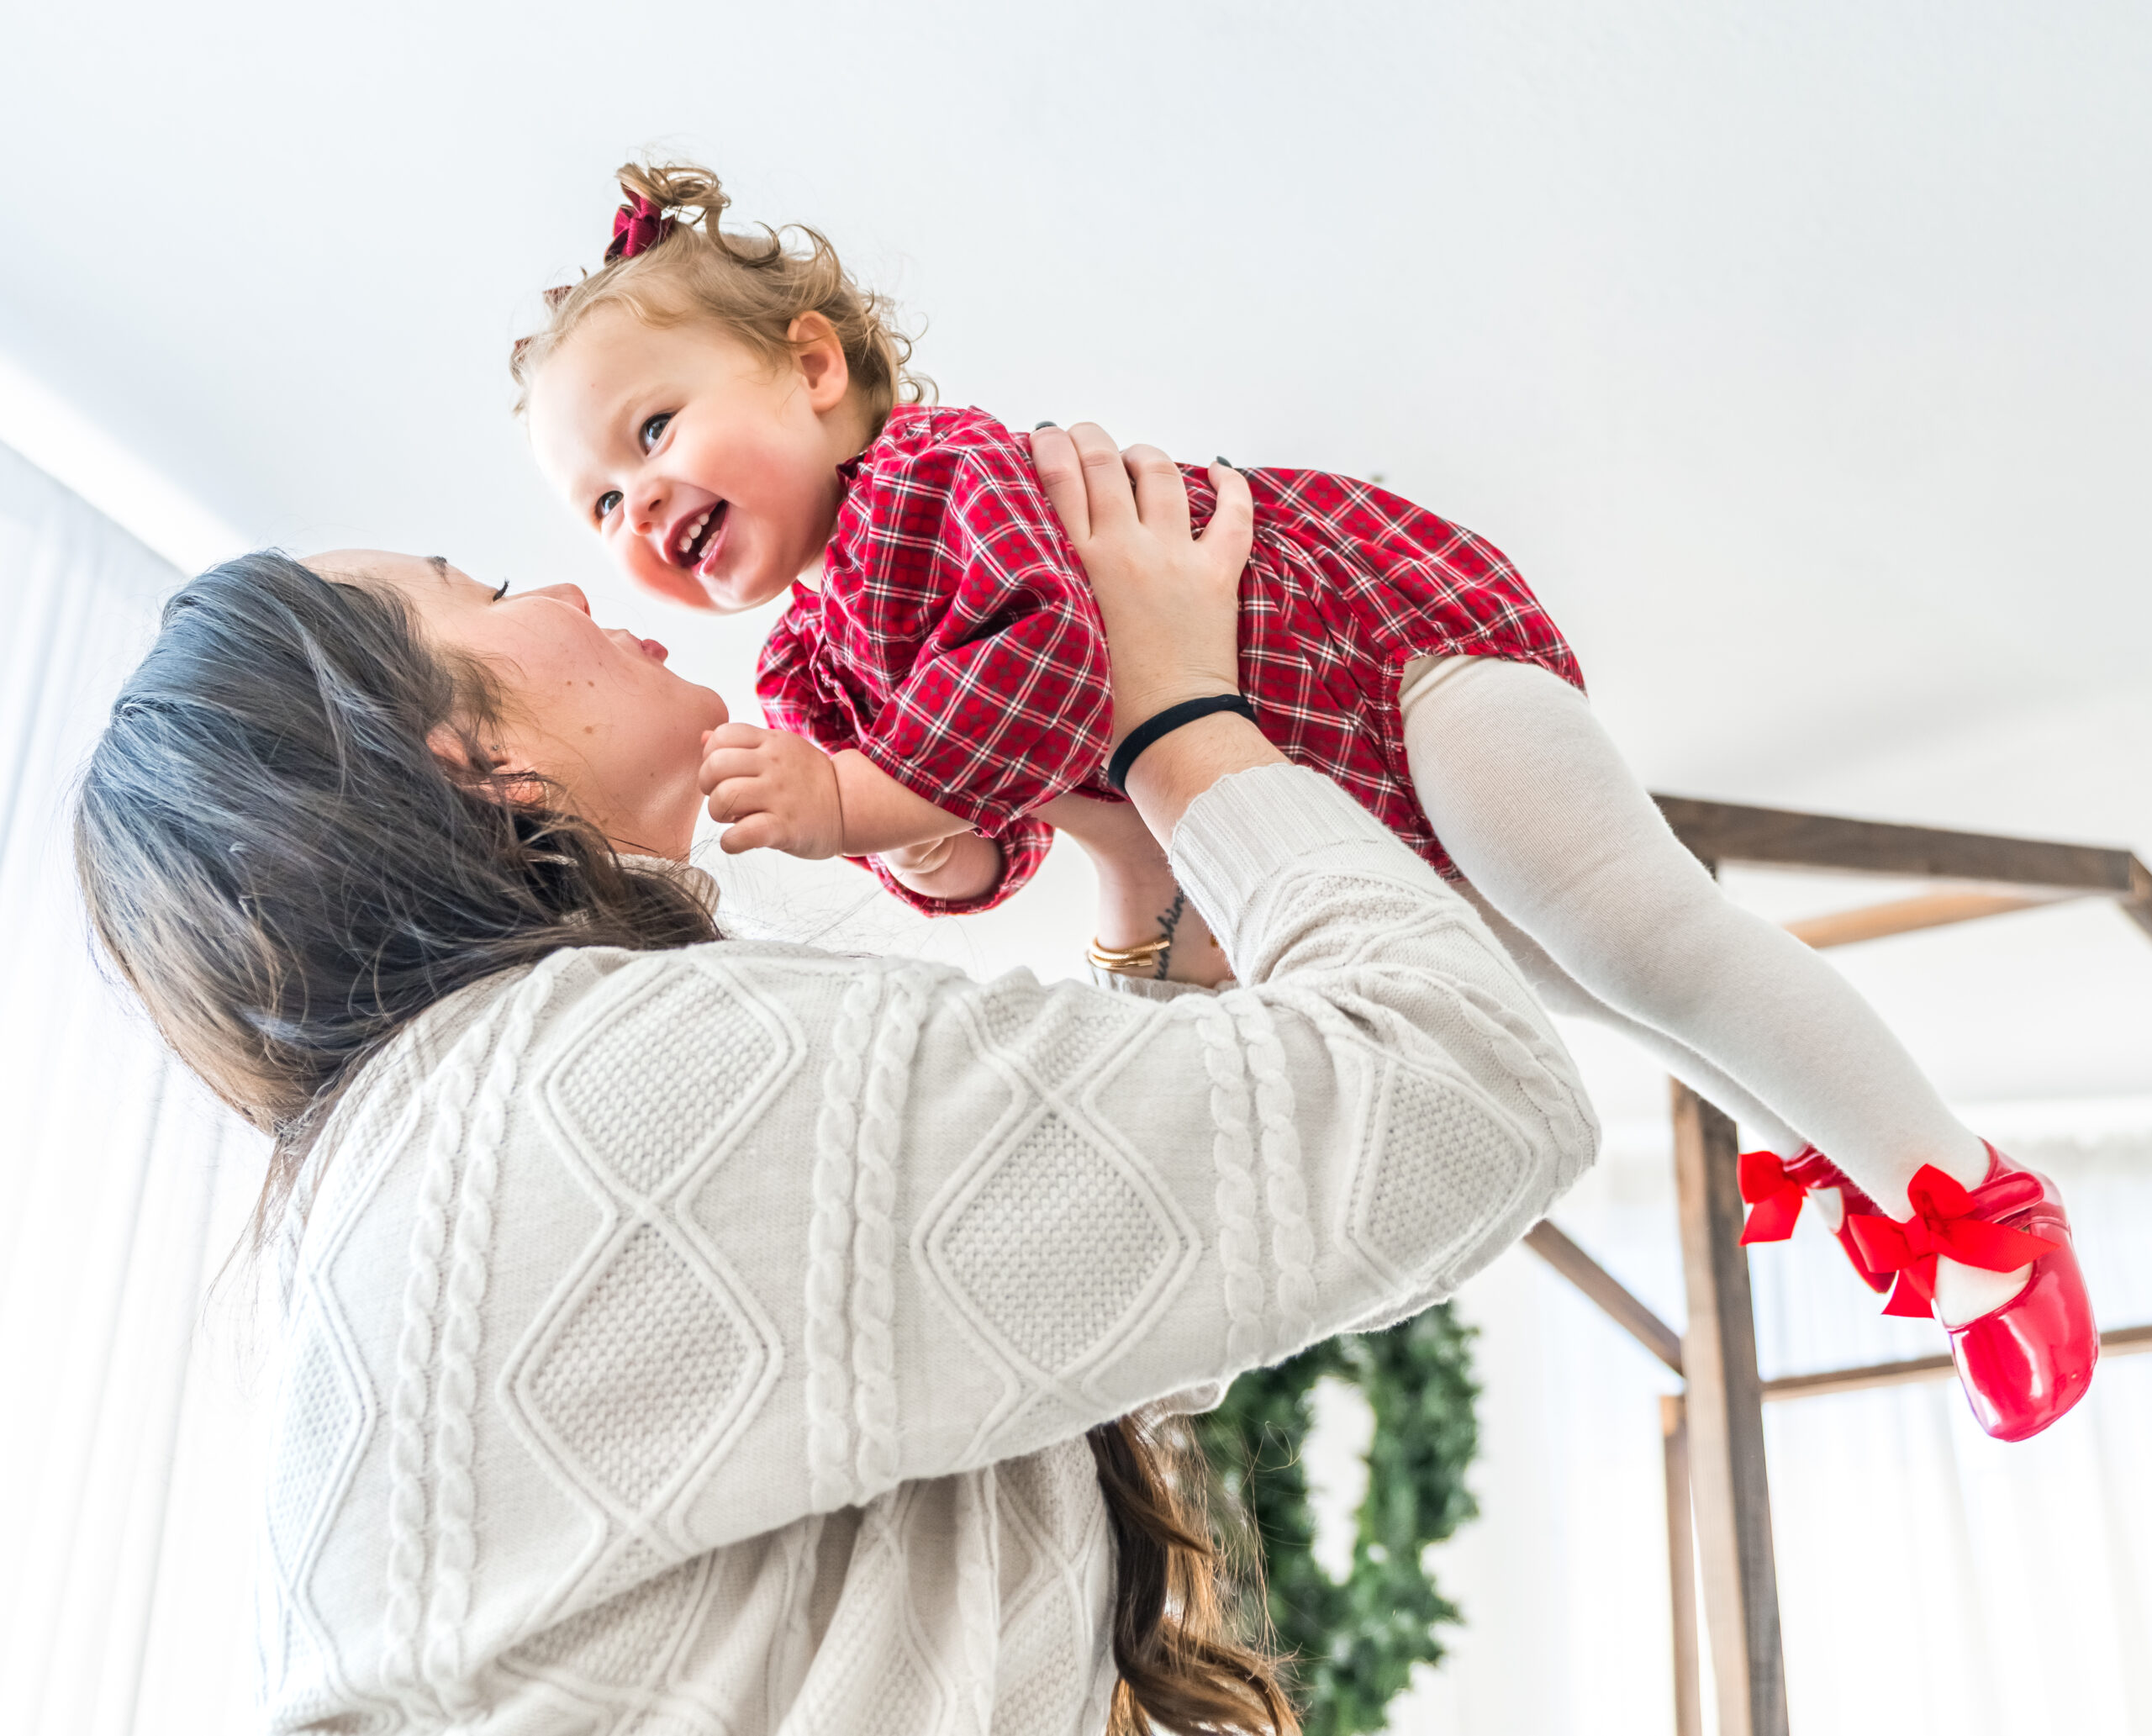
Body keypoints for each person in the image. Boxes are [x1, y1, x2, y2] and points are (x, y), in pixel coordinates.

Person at [509, 161, 2096, 1443]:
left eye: (653, 431)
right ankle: (1845, 1154)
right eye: (596, 502)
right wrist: (935, 844)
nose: (636, 502)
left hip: (1394, 666)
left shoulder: (937, 476)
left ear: (810, 366)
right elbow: (996, 826)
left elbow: (1059, 667)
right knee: (1591, 992)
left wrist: (862, 795)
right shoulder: (813, 661)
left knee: (1647, 934)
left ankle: (1976, 1206)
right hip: (1314, 814)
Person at [74, 435, 1596, 1733]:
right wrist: (1186, 724)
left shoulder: (449, 1143)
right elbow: (1463, 1090)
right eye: (475, 591)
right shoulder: (609, 1079)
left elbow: (1082, 1304)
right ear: (474, 760)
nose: (561, 583)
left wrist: (1139, 856)